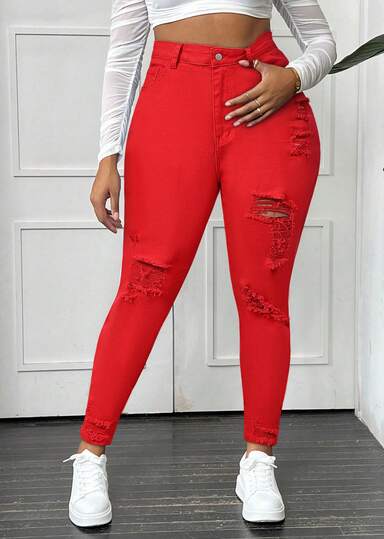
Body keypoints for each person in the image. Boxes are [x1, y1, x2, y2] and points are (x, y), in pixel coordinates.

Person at [62, 0, 337, 527]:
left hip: (265, 109)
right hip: (171, 106)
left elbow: (321, 39)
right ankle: (90, 455)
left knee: (263, 294)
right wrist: (107, 156)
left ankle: (258, 459)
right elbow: (124, 53)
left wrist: (293, 78)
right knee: (144, 287)